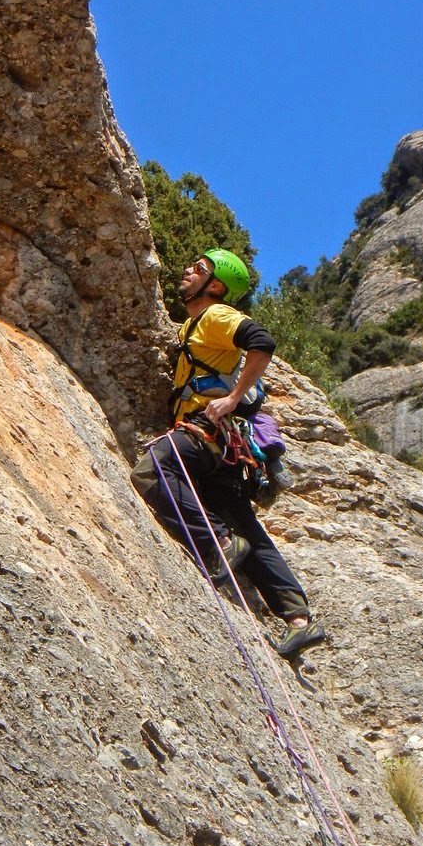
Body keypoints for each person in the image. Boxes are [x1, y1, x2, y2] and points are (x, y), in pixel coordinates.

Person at [131, 248, 325, 659]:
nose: (187, 269)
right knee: (247, 526)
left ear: (216, 286)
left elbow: (261, 341)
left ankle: (218, 543)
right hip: (226, 450)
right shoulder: (192, 325)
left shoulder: (216, 316)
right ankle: (298, 618)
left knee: (155, 470)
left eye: (198, 268)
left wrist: (233, 398)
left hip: (206, 430)